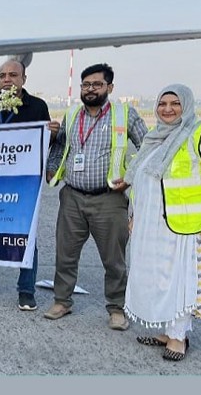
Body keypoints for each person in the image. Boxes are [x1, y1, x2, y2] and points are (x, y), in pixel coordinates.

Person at [44, 63, 147, 329]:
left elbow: (147, 147)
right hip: (73, 197)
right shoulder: (72, 114)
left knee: (114, 259)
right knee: (65, 255)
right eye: (86, 85)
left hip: (109, 199)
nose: (90, 89)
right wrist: (52, 167)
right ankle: (62, 301)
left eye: (97, 84)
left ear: (109, 87)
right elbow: (61, 146)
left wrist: (130, 177)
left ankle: (116, 308)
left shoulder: (125, 114)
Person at [124, 84, 201, 361]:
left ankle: (178, 337)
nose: (168, 109)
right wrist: (135, 215)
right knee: (159, 278)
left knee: (181, 278)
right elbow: (141, 181)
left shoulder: (200, 132)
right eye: (162, 104)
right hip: (153, 225)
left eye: (175, 103)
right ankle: (166, 329)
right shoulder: (155, 137)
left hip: (186, 226)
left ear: (187, 105)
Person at [0, 58, 56, 311]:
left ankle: (26, 290)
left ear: (24, 79)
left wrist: (53, 133)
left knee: (26, 235)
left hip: (22, 183)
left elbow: (44, 143)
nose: (7, 79)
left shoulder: (37, 106)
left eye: (13, 75)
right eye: (2, 75)